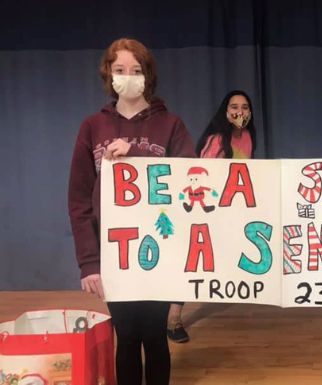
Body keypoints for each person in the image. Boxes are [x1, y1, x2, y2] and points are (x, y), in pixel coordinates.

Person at [68, 38, 196, 385]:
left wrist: (137, 154)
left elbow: (190, 183)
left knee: (154, 337)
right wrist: (89, 262)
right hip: (114, 256)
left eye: (136, 71)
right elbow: (78, 200)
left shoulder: (171, 125)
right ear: (108, 75)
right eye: (120, 70)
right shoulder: (92, 126)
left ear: (148, 76)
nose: (128, 77)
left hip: (160, 251)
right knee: (126, 338)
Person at [167, 90, 257, 342]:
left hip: (230, 211)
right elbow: (202, 173)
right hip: (205, 211)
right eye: (234, 107)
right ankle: (173, 320)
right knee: (193, 262)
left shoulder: (249, 137)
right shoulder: (217, 139)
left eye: (245, 107)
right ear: (225, 111)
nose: (240, 112)